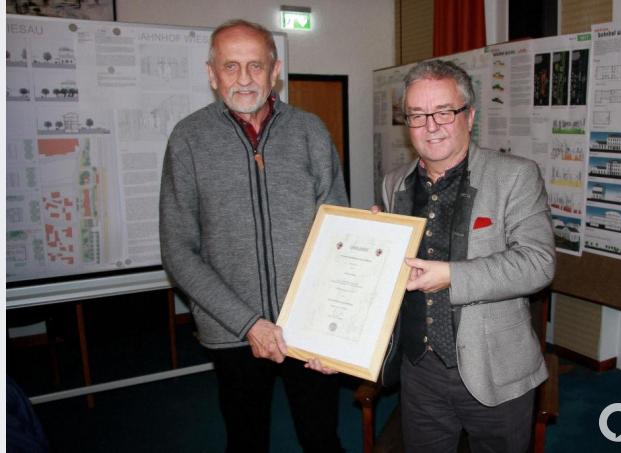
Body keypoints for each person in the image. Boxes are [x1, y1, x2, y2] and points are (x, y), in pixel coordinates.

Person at [159, 19, 347, 453]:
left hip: (309, 327)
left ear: (275, 70)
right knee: (245, 441)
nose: (244, 79)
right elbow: (178, 250)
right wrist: (248, 324)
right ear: (212, 74)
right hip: (232, 330)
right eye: (230, 66)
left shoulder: (310, 131)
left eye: (255, 66)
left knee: (322, 439)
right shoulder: (188, 139)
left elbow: (337, 226)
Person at [379, 59, 556, 453]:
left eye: (444, 111)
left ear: (469, 115)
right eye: (417, 115)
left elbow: (538, 263)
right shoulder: (394, 184)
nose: (431, 125)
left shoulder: (515, 175)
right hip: (419, 368)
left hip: (494, 366)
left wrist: (452, 275)